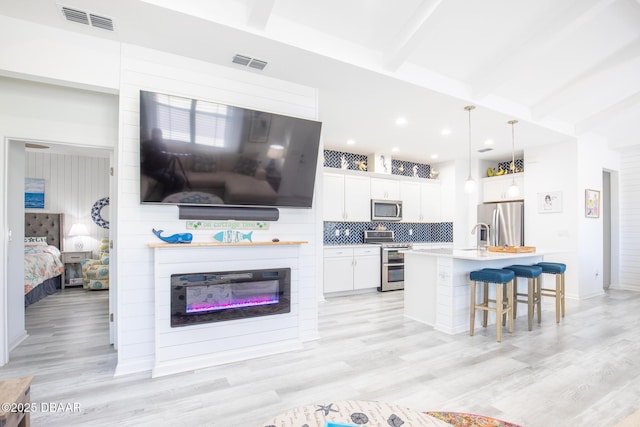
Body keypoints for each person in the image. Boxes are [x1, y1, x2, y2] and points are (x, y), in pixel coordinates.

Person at [141, 128, 186, 196]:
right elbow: (146, 156)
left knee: (180, 179)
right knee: (168, 179)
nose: (157, 136)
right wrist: (155, 147)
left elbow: (166, 157)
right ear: (152, 134)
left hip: (164, 168)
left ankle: (175, 196)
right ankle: (165, 197)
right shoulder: (146, 144)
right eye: (155, 134)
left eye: (159, 134)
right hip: (151, 169)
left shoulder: (162, 144)